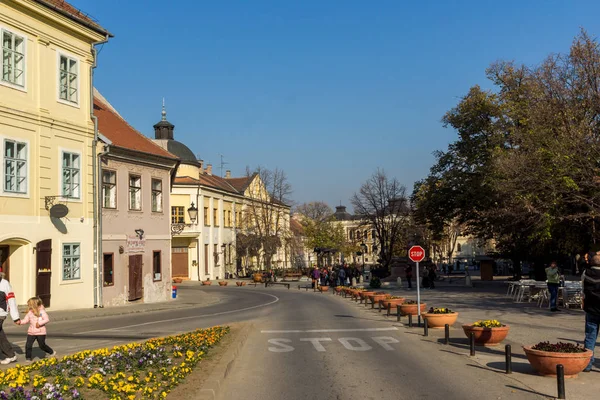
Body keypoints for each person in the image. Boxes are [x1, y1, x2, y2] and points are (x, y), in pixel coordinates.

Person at [17, 297, 55, 362]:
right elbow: (26, 320)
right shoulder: (30, 312)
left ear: (34, 304)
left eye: (29, 304)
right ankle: (28, 358)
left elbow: (46, 319)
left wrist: (39, 323)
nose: (28, 306)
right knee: (28, 345)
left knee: (42, 345)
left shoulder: (41, 311)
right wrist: (20, 322)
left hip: (40, 332)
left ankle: (51, 352)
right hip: (31, 332)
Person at [582, 251, 600, 372]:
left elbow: (583, 290)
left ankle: (588, 364)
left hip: (591, 309)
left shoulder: (585, 273)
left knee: (590, 337)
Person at [0, 272, 21, 365]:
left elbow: (11, 300)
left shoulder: (5, 283)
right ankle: (10, 355)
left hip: (1, 313)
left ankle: (9, 355)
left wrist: (15, 317)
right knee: (0, 335)